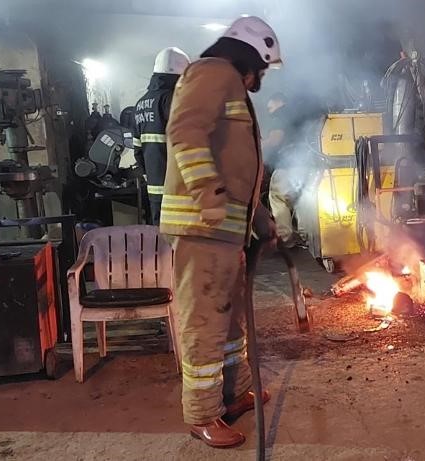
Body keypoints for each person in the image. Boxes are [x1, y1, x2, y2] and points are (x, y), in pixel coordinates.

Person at [160, 16, 280, 449]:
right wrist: (209, 196)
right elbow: (185, 130)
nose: (258, 80)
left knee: (229, 323)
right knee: (205, 324)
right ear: (249, 57)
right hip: (203, 228)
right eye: (260, 70)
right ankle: (203, 415)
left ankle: (232, 396)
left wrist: (261, 217)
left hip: (225, 233)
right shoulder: (211, 73)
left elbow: (235, 165)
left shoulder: (227, 81)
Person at [133, 47, 190, 224]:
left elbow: (137, 150)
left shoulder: (141, 103)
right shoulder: (176, 100)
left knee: (162, 244)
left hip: (156, 190)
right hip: (180, 191)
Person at [263, 93, 315, 248]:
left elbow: (275, 139)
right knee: (301, 199)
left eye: (270, 104)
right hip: (305, 166)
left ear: (279, 101)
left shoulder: (280, 115)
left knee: (278, 197)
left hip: (287, 167)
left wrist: (260, 145)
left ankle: (285, 238)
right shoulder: (299, 115)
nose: (268, 108)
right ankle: (308, 236)